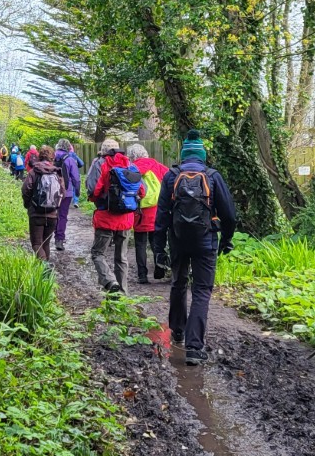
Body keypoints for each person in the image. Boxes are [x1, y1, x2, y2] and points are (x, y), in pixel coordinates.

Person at [153, 129, 239, 366]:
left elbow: (161, 216)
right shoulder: (212, 176)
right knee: (201, 291)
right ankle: (194, 347)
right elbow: (229, 215)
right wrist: (227, 239)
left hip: (178, 240)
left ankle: (178, 330)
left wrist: (159, 249)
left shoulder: (171, 176)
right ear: (202, 155)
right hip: (206, 241)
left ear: (183, 155)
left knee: (178, 284)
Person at [85, 138, 145, 293]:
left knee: (98, 253)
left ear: (103, 151)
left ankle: (110, 282)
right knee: (121, 257)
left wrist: (97, 199)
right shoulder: (130, 165)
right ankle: (122, 294)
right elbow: (142, 190)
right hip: (126, 219)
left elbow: (92, 189)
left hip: (105, 217)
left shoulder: (100, 164)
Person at [127, 143, 169, 284]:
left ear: (131, 156)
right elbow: (170, 179)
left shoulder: (132, 169)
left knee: (140, 243)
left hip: (140, 210)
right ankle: (159, 268)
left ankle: (142, 275)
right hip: (157, 209)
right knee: (156, 242)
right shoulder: (156, 165)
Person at [22, 145, 66, 262]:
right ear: (52, 157)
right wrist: (56, 206)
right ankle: (45, 276)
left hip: (36, 213)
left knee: (37, 244)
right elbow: (63, 192)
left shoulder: (34, 172)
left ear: (39, 157)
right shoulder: (56, 173)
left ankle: (44, 269)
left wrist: (28, 204)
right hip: (52, 214)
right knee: (46, 244)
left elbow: (26, 189)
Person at [52, 139, 81, 251]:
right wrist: (77, 191)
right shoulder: (70, 160)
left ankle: (53, 236)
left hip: (52, 191)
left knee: (54, 214)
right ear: (69, 147)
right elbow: (76, 178)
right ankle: (59, 239)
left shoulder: (52, 157)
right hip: (67, 192)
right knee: (62, 215)